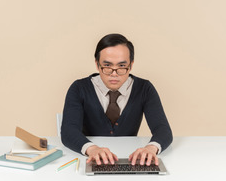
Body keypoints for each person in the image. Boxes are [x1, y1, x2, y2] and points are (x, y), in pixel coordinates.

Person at [61, 33, 172, 166]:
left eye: (121, 66)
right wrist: (92, 149)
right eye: (107, 66)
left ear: (130, 65)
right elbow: (68, 131)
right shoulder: (79, 88)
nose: (114, 74)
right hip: (90, 159)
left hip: (130, 158)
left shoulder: (144, 89)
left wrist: (151, 148)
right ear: (97, 64)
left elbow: (162, 129)